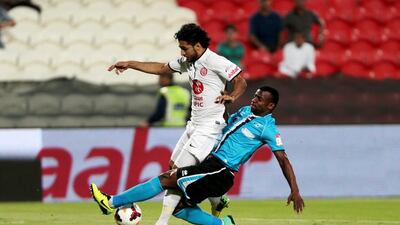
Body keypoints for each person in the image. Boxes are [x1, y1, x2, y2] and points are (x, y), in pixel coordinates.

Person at [90, 86, 305, 225]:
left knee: (168, 178)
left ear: (271, 105)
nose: (254, 100)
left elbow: (283, 159)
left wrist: (294, 190)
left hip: (221, 170)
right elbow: (225, 127)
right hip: (212, 164)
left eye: (260, 99)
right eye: (255, 96)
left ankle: (112, 202)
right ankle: (224, 224)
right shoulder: (245, 112)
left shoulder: (268, 128)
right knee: (180, 208)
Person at [107, 23, 247, 225]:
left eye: (184, 48)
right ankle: (216, 200)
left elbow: (240, 80)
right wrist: (129, 63)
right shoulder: (189, 61)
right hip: (194, 123)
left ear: (197, 46)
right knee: (173, 167)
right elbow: (161, 68)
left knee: (175, 174)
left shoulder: (215, 61)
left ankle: (162, 221)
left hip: (211, 125)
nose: (182, 52)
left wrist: (232, 96)